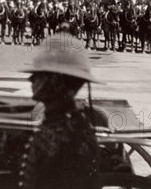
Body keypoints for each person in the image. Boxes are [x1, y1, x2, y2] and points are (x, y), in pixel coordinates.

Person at [19, 32, 101, 189]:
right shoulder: (63, 124)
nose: (31, 79)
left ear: (56, 81)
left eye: (38, 74)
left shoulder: (69, 134)